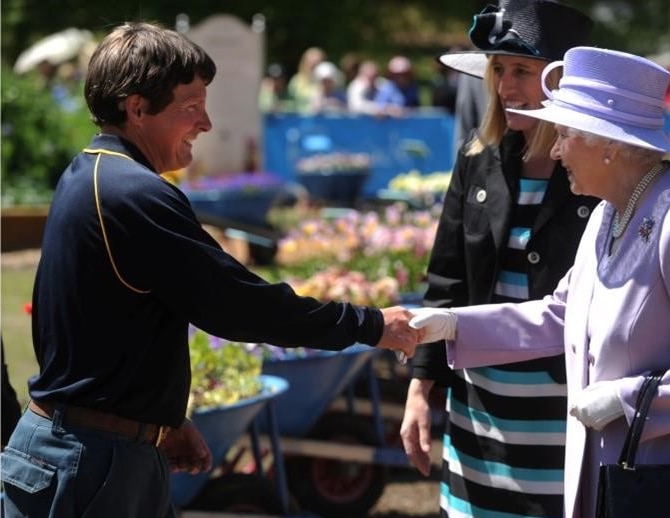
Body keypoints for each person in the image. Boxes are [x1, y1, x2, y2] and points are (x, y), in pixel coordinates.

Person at [0, 22, 420, 518]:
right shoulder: (134, 193)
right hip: (93, 461)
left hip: (97, 447)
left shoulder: (90, 171)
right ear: (137, 108)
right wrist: (370, 325)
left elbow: (105, 329)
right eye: (191, 106)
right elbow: (238, 305)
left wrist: (161, 420)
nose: (206, 123)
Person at [408, 46, 670, 518]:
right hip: (623, 475)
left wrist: (630, 400)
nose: (556, 149)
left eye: (565, 134)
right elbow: (561, 313)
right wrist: (456, 325)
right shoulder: (611, 209)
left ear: (608, 143)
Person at [399, 2, 597, 517]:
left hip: (566, 409)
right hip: (479, 411)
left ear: (562, 80)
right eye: (499, 70)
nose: (506, 86)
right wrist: (421, 389)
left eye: (523, 72)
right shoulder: (477, 155)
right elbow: (448, 279)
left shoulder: (599, 166)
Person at [288, 46, 327, 113]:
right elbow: (290, 103)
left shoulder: (327, 82)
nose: (314, 67)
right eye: (311, 64)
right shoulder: (296, 81)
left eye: (317, 64)